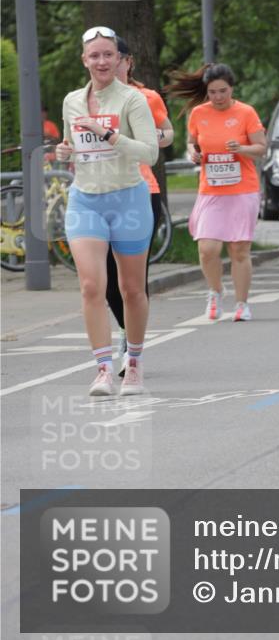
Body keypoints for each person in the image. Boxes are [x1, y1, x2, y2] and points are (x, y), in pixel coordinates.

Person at [55, 27, 158, 396]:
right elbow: (72, 144)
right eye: (94, 56)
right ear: (84, 60)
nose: (101, 62)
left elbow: (151, 153)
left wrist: (109, 135)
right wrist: (66, 151)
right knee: (90, 285)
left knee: (130, 289)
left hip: (128, 199)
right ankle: (102, 368)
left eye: (107, 55)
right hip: (86, 200)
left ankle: (134, 362)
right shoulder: (72, 101)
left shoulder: (131, 100)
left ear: (119, 60)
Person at [167, 63, 266, 321]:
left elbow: (261, 148)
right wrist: (193, 153)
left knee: (239, 250)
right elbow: (191, 142)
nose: (218, 97)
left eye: (223, 91)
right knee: (207, 248)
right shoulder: (199, 113)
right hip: (211, 189)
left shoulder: (246, 112)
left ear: (232, 88)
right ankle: (215, 291)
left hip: (242, 189)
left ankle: (242, 304)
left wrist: (242, 149)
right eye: (212, 92)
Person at [106, 37, 174, 376]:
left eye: (114, 57)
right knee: (106, 281)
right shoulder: (88, 100)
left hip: (141, 191)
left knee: (132, 278)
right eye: (100, 56)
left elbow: (168, 133)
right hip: (100, 193)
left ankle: (132, 348)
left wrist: (148, 139)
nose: (108, 63)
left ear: (128, 61)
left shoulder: (147, 97)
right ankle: (125, 331)